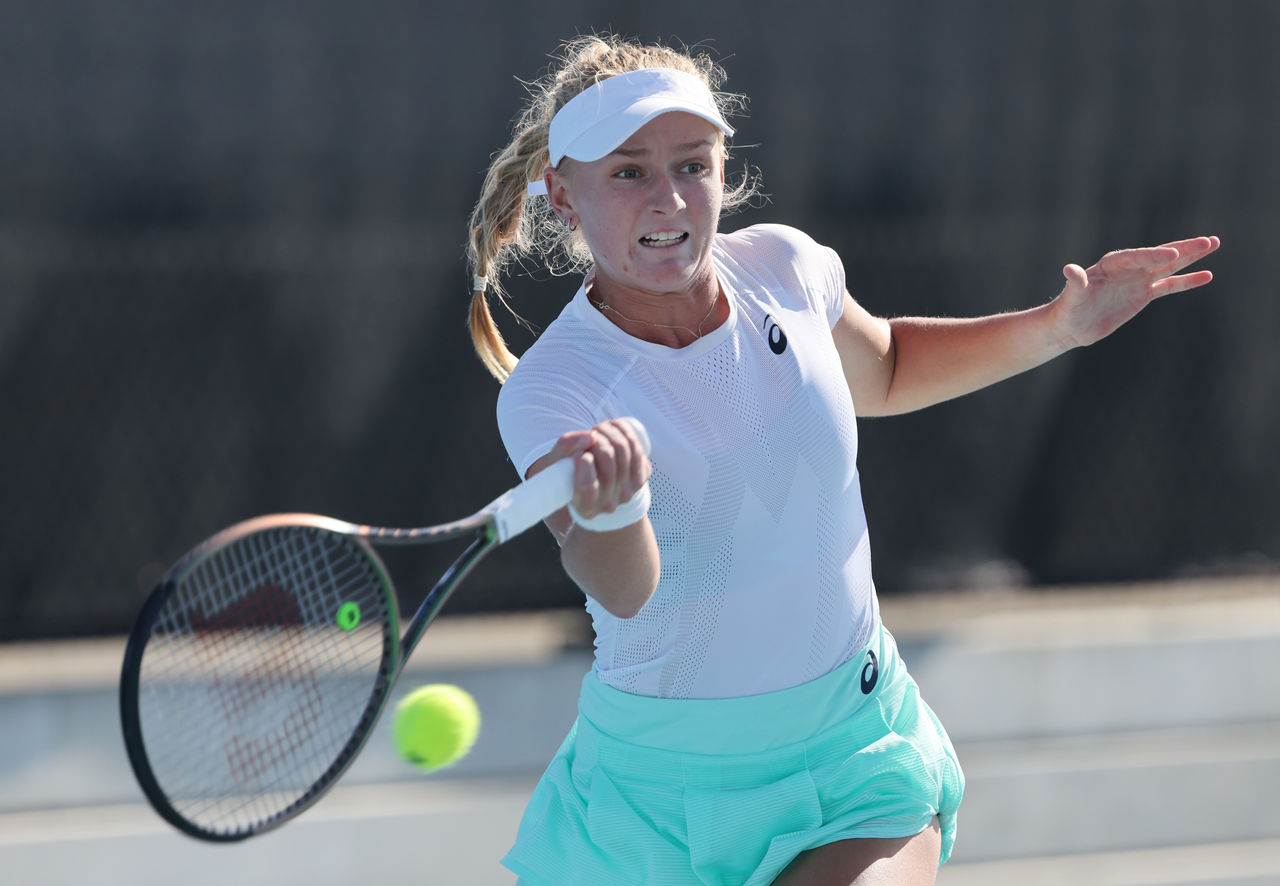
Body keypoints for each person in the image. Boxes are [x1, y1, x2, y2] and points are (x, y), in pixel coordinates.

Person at [464, 34, 1219, 886]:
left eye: (694, 164)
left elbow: (889, 366)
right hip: (652, 801)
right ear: (564, 197)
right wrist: (610, 508)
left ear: (724, 169)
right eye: (629, 172)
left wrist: (1059, 326)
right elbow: (625, 589)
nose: (670, 197)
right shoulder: (551, 392)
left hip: (856, 755)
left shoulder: (786, 267)